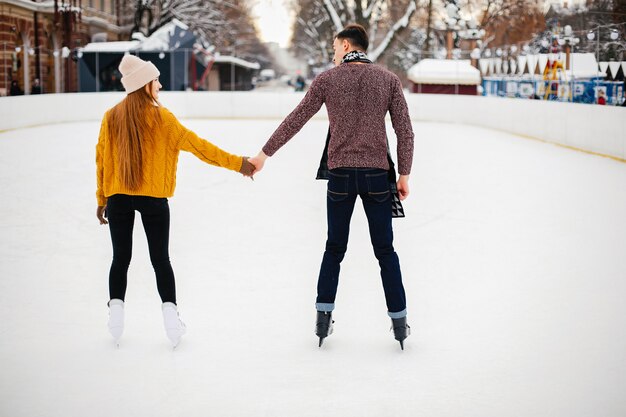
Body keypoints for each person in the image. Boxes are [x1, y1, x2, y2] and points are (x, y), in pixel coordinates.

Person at [249, 24, 414, 349]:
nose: (333, 51)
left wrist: (263, 154)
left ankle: (323, 319)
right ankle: (399, 322)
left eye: (335, 46)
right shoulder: (387, 79)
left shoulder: (328, 79)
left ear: (346, 44)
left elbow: (295, 119)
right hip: (377, 176)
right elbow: (404, 131)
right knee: (385, 251)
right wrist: (404, 175)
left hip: (340, 175)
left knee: (334, 248)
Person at [96, 55, 255, 348]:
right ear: (143, 84)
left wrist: (101, 198)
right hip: (154, 199)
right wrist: (240, 164)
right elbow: (200, 147)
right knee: (161, 260)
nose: (160, 84)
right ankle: (172, 321)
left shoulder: (111, 116)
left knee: (120, 259)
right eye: (155, 80)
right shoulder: (163, 118)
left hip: (117, 197)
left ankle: (115, 317)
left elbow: (102, 160)